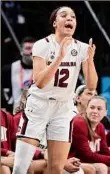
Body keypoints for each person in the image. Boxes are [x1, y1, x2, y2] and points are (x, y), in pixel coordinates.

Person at [12, 6, 98, 174]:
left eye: (73, 16)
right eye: (64, 15)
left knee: (56, 168)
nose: (69, 19)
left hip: (63, 108)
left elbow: (92, 85)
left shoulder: (81, 48)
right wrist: (60, 56)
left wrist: (90, 60)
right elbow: (40, 82)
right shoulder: (42, 45)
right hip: (39, 105)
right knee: (20, 167)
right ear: (54, 23)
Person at [69, 96, 110, 174]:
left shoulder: (100, 126)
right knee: (102, 168)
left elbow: (104, 151)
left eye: (99, 109)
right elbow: (86, 155)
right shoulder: (79, 123)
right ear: (86, 109)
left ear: (105, 112)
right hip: (72, 161)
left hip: (86, 161)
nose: (95, 111)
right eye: (92, 107)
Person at [1, 36, 35, 113]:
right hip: (14, 114)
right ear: (21, 51)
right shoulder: (8, 70)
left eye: (34, 48)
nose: (32, 52)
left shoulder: (45, 69)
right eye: (28, 48)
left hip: (36, 116)